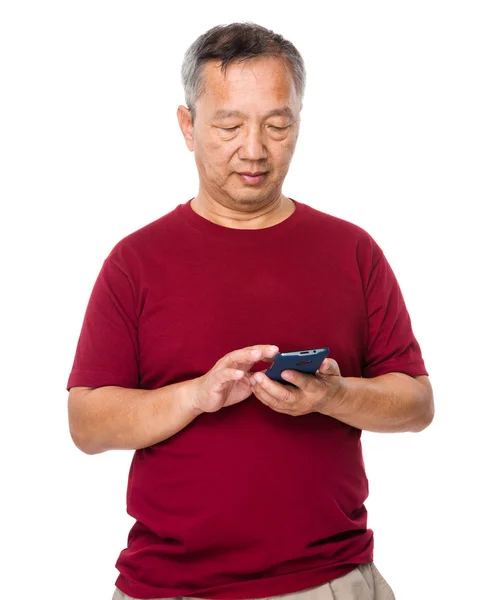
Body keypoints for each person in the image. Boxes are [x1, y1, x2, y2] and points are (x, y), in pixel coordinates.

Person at [67, 22, 434, 600]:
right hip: (170, 589)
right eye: (229, 126)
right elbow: (86, 424)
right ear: (188, 126)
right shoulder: (134, 262)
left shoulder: (352, 251)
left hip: (331, 581)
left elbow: (416, 404)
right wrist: (195, 394)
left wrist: (333, 397)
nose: (255, 149)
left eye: (278, 125)